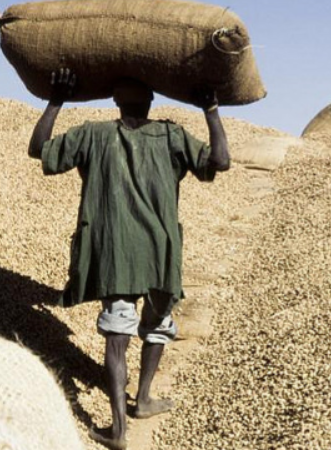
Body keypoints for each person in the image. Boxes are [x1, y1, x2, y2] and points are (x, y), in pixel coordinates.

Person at [28, 68, 230, 449]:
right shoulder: (171, 136)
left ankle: (119, 429)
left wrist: (56, 100)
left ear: (115, 101)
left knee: (117, 336)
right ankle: (145, 398)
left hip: (115, 254)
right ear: (152, 101)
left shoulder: (94, 134)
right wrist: (211, 109)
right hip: (160, 255)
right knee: (158, 325)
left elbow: (39, 148)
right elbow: (220, 161)